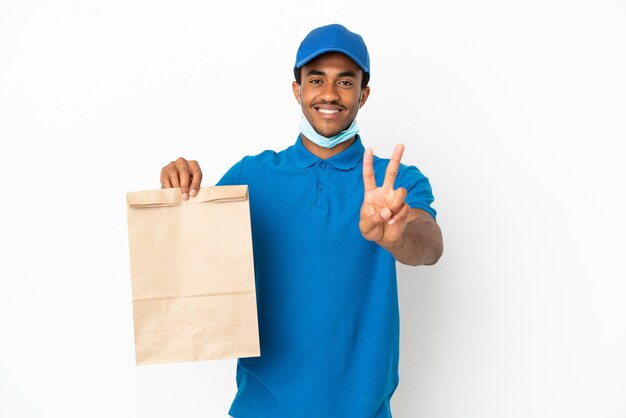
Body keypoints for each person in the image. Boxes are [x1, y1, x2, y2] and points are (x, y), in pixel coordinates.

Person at [160, 23, 443, 418]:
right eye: (316, 79)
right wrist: (178, 195)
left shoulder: (395, 181)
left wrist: (396, 236)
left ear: (364, 94)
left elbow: (429, 245)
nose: (329, 94)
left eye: (345, 82)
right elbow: (187, 260)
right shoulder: (251, 176)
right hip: (260, 408)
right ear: (297, 90)